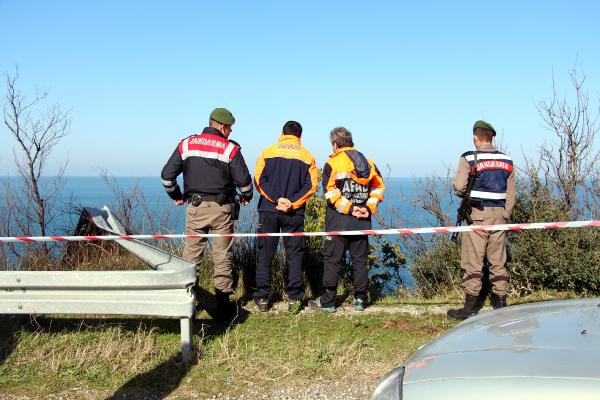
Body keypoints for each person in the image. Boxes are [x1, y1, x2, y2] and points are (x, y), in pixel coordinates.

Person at [161, 107, 253, 320]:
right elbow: (245, 183)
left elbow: (167, 177)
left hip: (195, 208)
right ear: (222, 126)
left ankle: (185, 304)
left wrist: (177, 195)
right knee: (222, 257)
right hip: (222, 210)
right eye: (229, 128)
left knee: (190, 258)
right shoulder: (230, 149)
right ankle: (222, 309)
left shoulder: (187, 144)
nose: (230, 132)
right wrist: (246, 197)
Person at [308, 127, 385, 312]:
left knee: (332, 260)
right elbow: (379, 188)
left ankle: (328, 301)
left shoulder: (333, 163)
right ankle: (360, 299)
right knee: (359, 260)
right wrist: (368, 208)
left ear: (335, 145)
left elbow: (330, 193)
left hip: (338, 221)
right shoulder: (369, 163)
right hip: (362, 221)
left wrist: (350, 209)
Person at [447, 120, 515, 320]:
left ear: (475, 138)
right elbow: (511, 194)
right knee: (498, 261)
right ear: (492, 137)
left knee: (473, 260)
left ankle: (470, 307)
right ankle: (501, 303)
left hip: (477, 215)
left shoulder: (469, 158)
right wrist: (505, 214)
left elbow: (460, 187)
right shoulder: (507, 160)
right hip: (500, 215)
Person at [253, 121, 319, 313]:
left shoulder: (267, 151)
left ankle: (263, 298)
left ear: (282, 133)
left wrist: (276, 199)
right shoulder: (307, 156)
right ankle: (294, 299)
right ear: (300, 137)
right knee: (295, 255)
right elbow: (311, 186)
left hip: (268, 210)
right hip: (294, 213)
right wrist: (292, 202)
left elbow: (259, 179)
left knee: (265, 254)